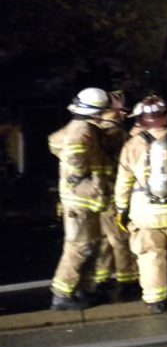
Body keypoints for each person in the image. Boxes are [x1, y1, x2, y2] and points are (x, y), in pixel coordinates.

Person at [114, 95, 167, 314]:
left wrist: (121, 209)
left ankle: (156, 299)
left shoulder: (132, 145)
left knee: (149, 255)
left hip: (144, 212)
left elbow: (124, 181)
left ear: (143, 119)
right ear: (166, 116)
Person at [48, 88, 111, 310]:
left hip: (80, 199)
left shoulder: (79, 127)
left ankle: (78, 290)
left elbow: (54, 142)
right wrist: (82, 178)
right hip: (80, 199)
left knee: (88, 244)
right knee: (78, 246)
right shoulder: (81, 131)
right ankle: (62, 294)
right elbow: (75, 158)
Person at [94, 90, 138, 297]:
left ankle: (101, 278)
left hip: (98, 194)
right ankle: (127, 281)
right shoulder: (117, 133)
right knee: (120, 239)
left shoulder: (96, 131)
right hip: (112, 192)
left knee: (105, 239)